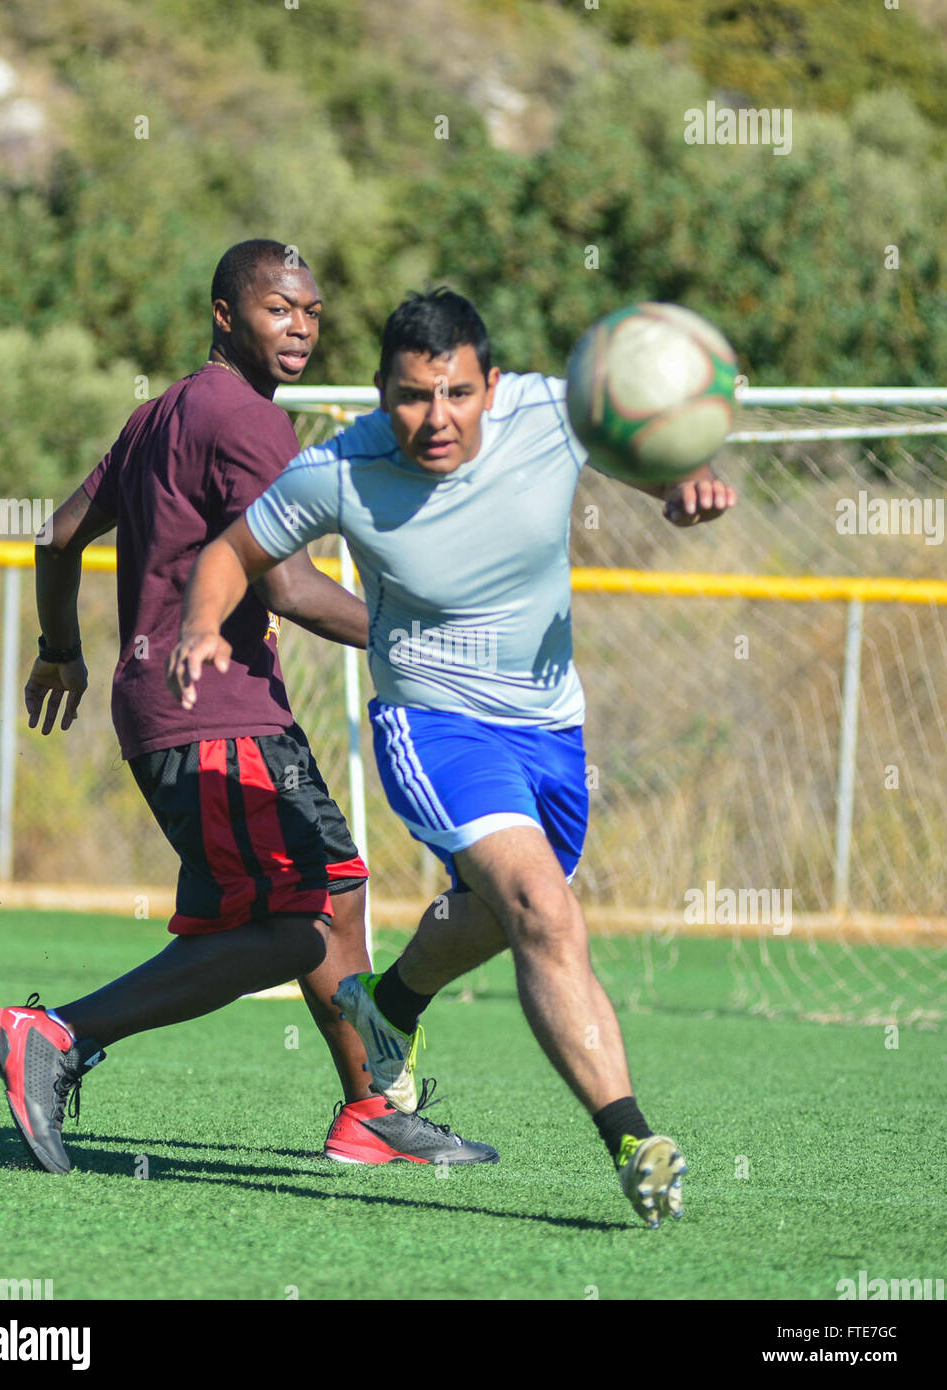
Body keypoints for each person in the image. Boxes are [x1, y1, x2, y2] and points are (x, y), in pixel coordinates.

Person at [167, 287, 737, 1227]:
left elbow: (642, 445)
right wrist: (198, 627)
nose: (436, 419)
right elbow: (230, 551)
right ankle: (633, 1140)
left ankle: (386, 1003)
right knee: (542, 909)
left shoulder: (553, 409)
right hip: (432, 724)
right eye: (411, 396)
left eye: (458, 394)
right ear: (382, 391)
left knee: (501, 910)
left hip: (551, 725)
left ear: (492, 386)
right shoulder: (341, 468)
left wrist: (679, 484)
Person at [0, 247, 498, 1175]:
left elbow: (57, 537)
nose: (300, 325)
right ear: (225, 315)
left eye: (311, 310)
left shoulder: (160, 415)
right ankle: (56, 1034)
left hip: (213, 713)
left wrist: (62, 648)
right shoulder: (247, 419)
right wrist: (424, 640)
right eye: (277, 309)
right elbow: (294, 589)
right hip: (213, 716)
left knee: (336, 890)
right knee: (290, 928)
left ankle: (374, 1110)